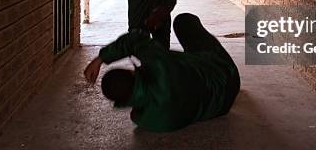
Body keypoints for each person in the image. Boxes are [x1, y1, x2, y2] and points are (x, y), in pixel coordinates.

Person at [83, 13, 241, 132]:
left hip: (221, 108)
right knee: (184, 21)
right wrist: (99, 59)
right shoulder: (159, 65)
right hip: (224, 73)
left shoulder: (146, 120)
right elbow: (135, 41)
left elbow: (136, 112)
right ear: (131, 73)